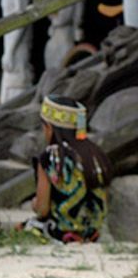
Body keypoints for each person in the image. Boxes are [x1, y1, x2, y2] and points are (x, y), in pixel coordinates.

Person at [19, 95, 112, 243]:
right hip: (93, 232)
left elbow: (43, 210)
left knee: (25, 227)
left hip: (62, 231)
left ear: (49, 127)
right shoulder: (95, 154)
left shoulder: (50, 157)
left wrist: (35, 204)